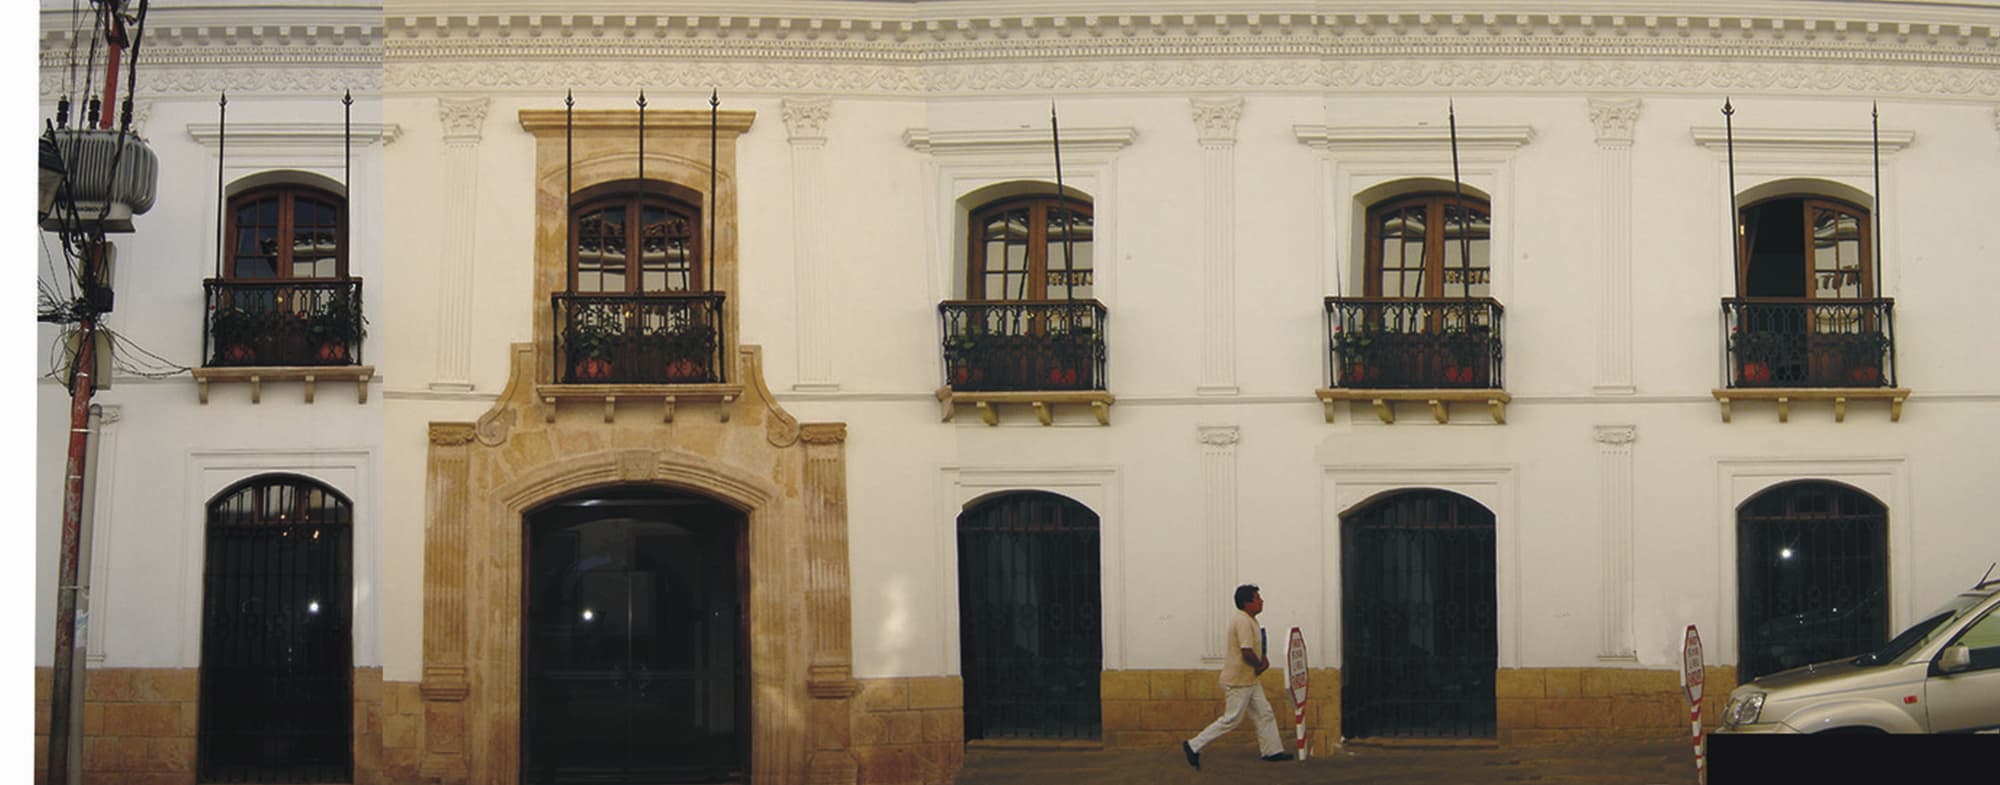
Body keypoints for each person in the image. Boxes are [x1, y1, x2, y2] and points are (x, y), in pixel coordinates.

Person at [1182, 583, 1289, 769]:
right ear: (1247, 603)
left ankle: (1272, 751)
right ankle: (1193, 745)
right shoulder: (1242, 621)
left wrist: (1259, 665)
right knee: (1231, 719)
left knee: (1265, 713)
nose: (1261, 601)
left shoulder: (1250, 620)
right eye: (1257, 598)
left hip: (1249, 679)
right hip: (1239, 681)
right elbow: (1246, 651)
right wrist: (1260, 665)